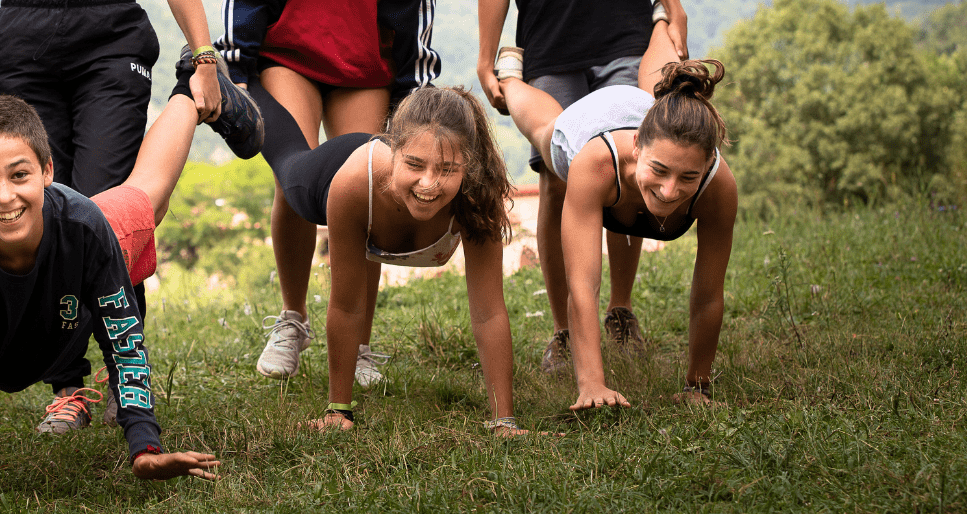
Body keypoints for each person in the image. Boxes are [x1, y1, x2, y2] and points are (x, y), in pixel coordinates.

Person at [0, 39, 262, 508]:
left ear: (46, 171)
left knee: (149, 195)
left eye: (19, 175)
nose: (4, 196)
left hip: (79, 225)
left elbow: (122, 340)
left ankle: (190, 87)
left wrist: (145, 447)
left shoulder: (87, 228)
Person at [248, 82, 530, 434]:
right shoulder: (352, 186)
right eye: (415, 164)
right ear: (392, 148)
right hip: (323, 178)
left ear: (468, 166)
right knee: (288, 160)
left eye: (447, 169)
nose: (429, 183)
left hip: (378, 187)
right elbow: (347, 306)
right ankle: (244, 84)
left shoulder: (477, 196)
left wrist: (504, 422)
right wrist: (339, 412)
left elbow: (489, 312)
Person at [494, 24, 738, 408]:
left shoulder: (718, 186)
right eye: (659, 170)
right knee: (542, 127)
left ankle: (660, 19)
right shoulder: (594, 164)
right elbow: (583, 285)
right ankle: (509, 77)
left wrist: (697, 386)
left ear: (708, 162)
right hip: (586, 124)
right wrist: (592, 384)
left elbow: (708, 294)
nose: (670, 190)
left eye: (687, 176)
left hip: (642, 104)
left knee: (654, 82)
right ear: (639, 146)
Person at [213, 0, 440, 386]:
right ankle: (293, 319)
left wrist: (412, 93)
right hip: (288, 52)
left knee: (369, 188)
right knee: (295, 177)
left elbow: (413, 8)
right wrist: (236, 61)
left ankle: (360, 346)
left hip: (365, 61)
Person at [477, 0, 689, 374]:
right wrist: (484, 54)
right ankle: (565, 331)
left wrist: (673, 6)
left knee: (631, 168)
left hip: (626, 30)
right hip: (549, 40)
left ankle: (620, 311)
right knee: (557, 181)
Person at [0, 0, 229, 194]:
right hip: (22, 46)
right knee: (37, 199)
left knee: (107, 206)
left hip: (112, 41)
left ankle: (112, 315)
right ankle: (52, 316)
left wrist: (204, 57)